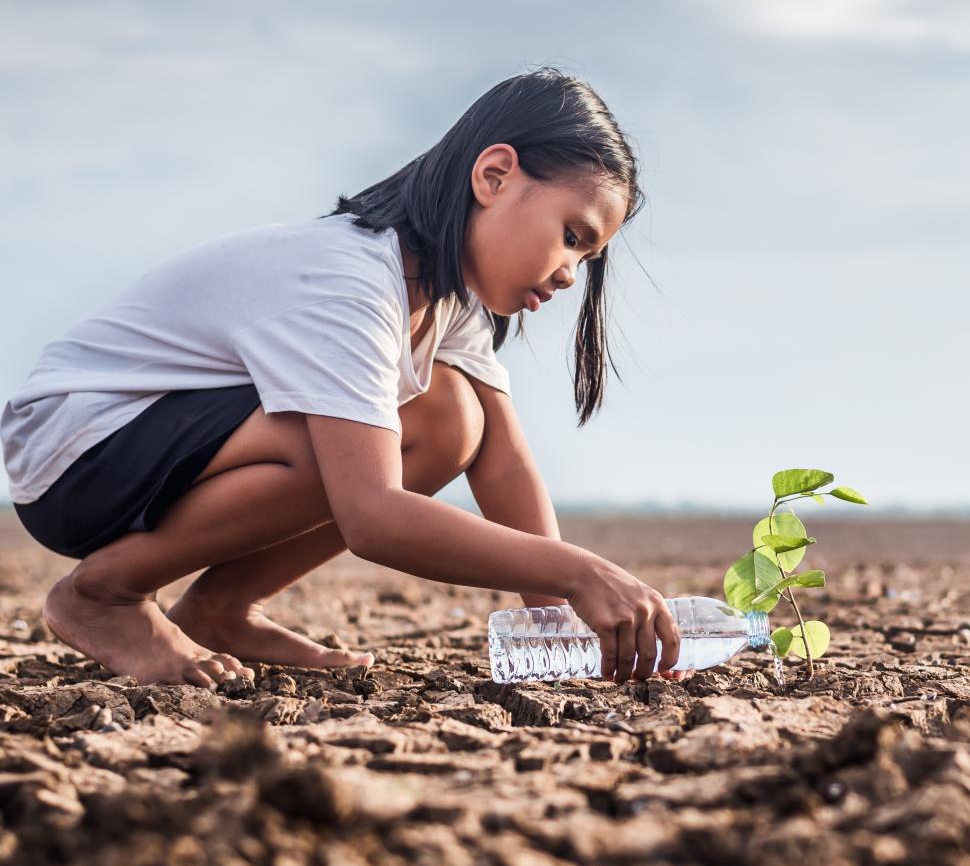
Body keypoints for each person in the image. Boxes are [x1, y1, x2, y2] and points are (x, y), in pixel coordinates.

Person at [1, 67, 685, 691]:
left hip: (149, 445)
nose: (571, 274)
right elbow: (373, 517)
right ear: (495, 177)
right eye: (572, 236)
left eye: (587, 257)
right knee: (336, 439)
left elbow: (503, 463)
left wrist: (555, 625)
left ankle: (219, 606)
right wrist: (578, 573)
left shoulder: (446, 297)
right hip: (77, 451)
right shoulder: (352, 280)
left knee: (450, 419)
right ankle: (104, 595)